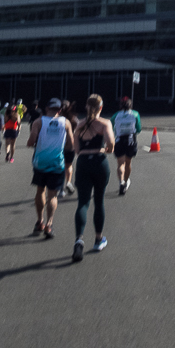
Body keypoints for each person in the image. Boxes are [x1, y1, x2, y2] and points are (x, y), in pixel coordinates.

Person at [71, 94, 115, 262]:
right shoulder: (104, 123)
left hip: (83, 163)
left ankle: (78, 240)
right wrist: (106, 150)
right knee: (99, 200)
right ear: (101, 108)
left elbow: (76, 150)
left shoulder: (79, 126)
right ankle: (98, 239)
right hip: (99, 162)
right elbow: (111, 143)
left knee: (83, 202)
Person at [27, 97, 68, 239]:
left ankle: (40, 221)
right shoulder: (65, 122)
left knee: (40, 190)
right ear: (60, 110)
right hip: (57, 162)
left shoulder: (38, 122)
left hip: (40, 162)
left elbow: (31, 140)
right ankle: (49, 224)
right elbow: (71, 143)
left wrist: (31, 143)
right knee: (53, 195)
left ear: (46, 108)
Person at [112, 96, 141, 195]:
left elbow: (111, 127)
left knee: (120, 163)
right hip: (130, 140)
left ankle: (121, 182)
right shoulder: (135, 114)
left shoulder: (116, 115)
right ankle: (126, 180)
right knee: (128, 162)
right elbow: (139, 128)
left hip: (119, 139)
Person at [59, 99, 77, 197]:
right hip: (70, 145)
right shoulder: (73, 118)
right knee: (69, 165)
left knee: (60, 166)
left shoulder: (57, 118)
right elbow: (79, 130)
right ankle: (68, 182)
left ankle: (61, 188)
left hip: (58, 145)